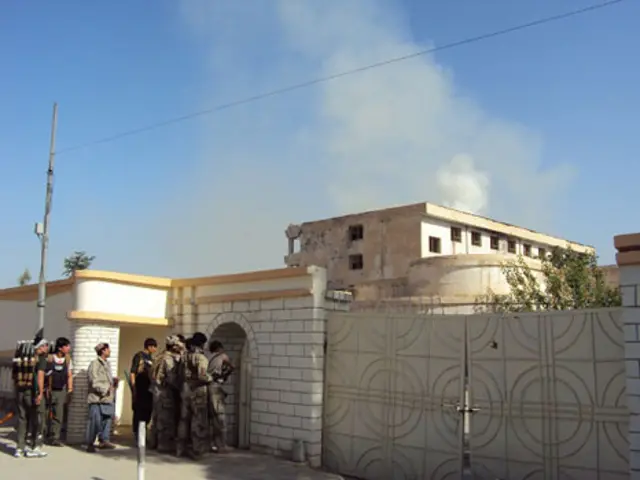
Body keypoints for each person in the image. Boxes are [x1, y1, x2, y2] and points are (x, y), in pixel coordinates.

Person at [12, 337, 49, 458]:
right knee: (37, 419)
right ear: (40, 347)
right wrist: (40, 393)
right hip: (32, 391)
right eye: (45, 345)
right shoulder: (40, 359)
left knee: (22, 418)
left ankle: (19, 448)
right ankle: (35, 446)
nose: (47, 347)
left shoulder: (22, 358)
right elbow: (40, 376)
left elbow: (14, 376)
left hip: (20, 391)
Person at [176, 332, 211, 459]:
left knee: (183, 419)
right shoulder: (201, 358)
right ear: (202, 344)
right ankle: (197, 449)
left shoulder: (185, 356)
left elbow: (180, 373)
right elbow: (202, 376)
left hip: (185, 388)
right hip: (197, 390)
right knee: (198, 419)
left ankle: (180, 449)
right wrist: (211, 378)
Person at [150, 335, 183, 453]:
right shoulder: (168, 359)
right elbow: (171, 378)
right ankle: (163, 445)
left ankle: (153, 442)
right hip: (164, 392)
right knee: (165, 419)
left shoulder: (159, 356)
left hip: (156, 390)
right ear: (173, 346)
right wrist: (181, 388)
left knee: (156, 417)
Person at [86, 342, 118, 452]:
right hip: (97, 399)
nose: (110, 351)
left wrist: (113, 382)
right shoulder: (95, 364)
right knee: (94, 422)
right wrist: (105, 389)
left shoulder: (107, 364)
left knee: (106, 420)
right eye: (108, 349)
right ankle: (90, 444)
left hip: (107, 399)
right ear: (103, 350)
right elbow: (93, 381)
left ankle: (104, 440)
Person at [45, 337, 73, 446]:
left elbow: (69, 375)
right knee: (45, 414)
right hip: (49, 390)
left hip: (61, 390)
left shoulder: (68, 360)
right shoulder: (50, 358)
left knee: (58, 415)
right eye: (66, 346)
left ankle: (54, 437)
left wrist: (70, 389)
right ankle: (43, 434)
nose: (68, 348)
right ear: (60, 348)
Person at [207, 340, 234, 453]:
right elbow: (231, 366)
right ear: (219, 348)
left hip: (207, 388)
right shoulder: (222, 356)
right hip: (216, 387)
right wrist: (224, 374)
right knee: (220, 417)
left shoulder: (208, 357)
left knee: (211, 418)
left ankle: (211, 444)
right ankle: (221, 445)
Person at [129, 338, 157, 443]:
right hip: (140, 388)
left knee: (147, 412)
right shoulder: (139, 356)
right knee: (139, 412)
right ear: (149, 346)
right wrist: (134, 386)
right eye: (154, 347)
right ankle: (138, 436)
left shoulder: (151, 358)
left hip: (149, 389)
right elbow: (133, 372)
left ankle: (143, 435)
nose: (155, 349)